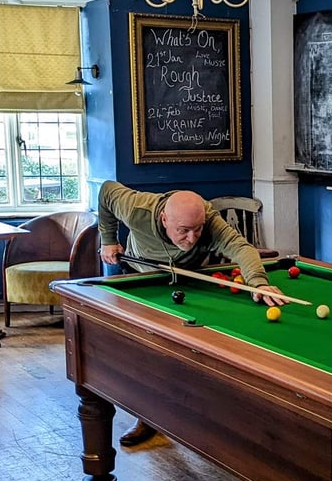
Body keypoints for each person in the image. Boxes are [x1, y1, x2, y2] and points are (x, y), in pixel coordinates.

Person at [98, 181, 285, 447]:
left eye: (197, 230)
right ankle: (147, 417)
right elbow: (106, 191)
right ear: (164, 219)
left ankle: (205, 414)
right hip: (142, 278)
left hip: (189, 281)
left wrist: (258, 281)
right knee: (145, 348)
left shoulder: (209, 221)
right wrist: (108, 240)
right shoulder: (136, 208)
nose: (192, 238)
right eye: (183, 231)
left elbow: (241, 248)